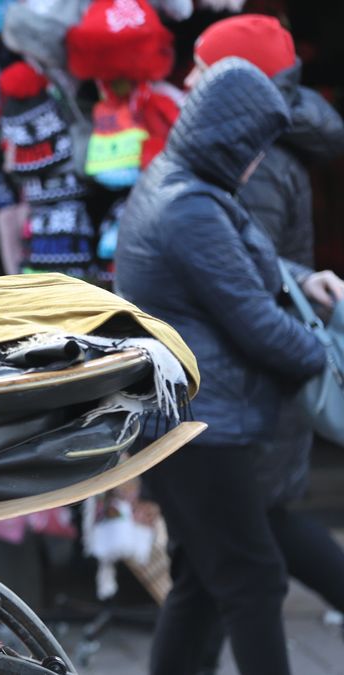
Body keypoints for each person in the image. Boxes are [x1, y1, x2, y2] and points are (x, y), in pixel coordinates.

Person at [114, 58, 326, 675]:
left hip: (195, 419)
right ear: (233, 140)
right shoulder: (190, 208)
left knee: (205, 585)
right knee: (252, 582)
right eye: (256, 147)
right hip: (206, 424)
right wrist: (322, 356)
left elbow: (250, 285)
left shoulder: (181, 184)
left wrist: (307, 285)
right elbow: (257, 324)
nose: (259, 161)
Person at [185, 14, 344, 660]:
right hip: (246, 392)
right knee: (221, 566)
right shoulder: (255, 148)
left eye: (204, 66)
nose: (188, 76)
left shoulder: (257, 162)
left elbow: (251, 282)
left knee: (237, 565)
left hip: (249, 396)